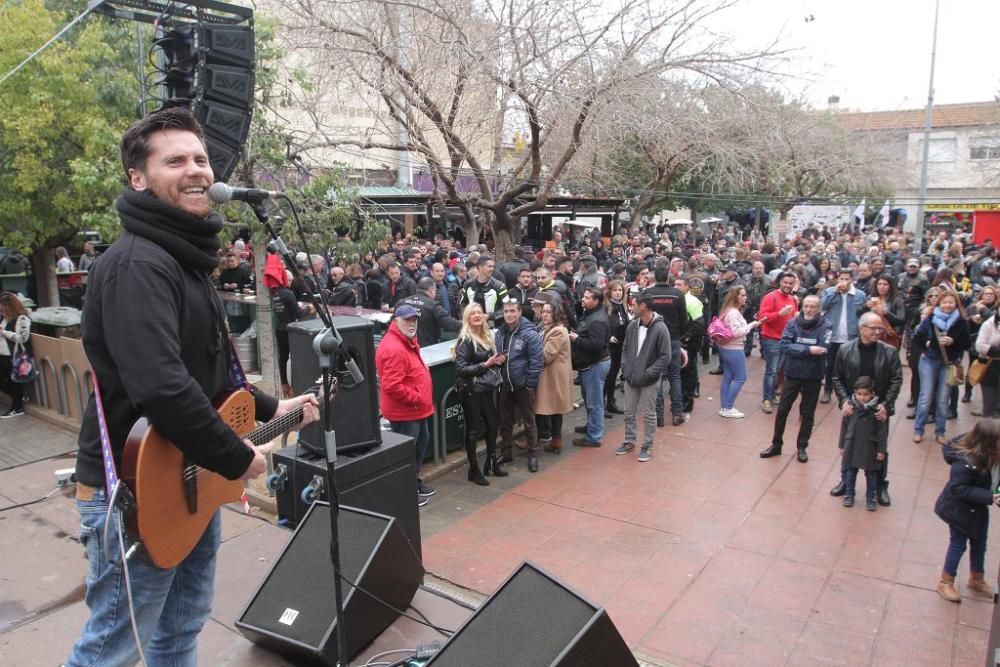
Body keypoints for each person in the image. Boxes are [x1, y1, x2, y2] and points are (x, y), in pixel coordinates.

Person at [66, 108, 319, 667]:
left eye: (201, 159)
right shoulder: (138, 265)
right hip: (134, 493)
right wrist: (235, 457)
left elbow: (208, 380)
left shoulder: (183, 261)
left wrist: (280, 408)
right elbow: (162, 387)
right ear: (139, 178)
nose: (196, 170)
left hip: (188, 480)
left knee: (179, 633)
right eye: (175, 160)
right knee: (111, 649)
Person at [830, 312, 903, 506]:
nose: (878, 331)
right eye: (874, 328)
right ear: (862, 329)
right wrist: (844, 400)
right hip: (853, 406)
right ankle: (846, 481)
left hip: (878, 409)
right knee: (848, 444)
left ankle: (879, 486)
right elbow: (836, 377)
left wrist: (886, 405)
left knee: (879, 447)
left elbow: (896, 379)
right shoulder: (845, 350)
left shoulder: (889, 351)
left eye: (880, 328)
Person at [933, 420, 1000, 603]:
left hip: (977, 507)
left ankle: (976, 578)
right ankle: (945, 581)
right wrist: (991, 496)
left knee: (980, 541)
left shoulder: (991, 453)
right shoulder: (965, 461)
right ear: (987, 442)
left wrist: (996, 493)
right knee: (958, 545)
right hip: (958, 510)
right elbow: (959, 488)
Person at [376, 304, 437, 503]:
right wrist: (418, 398)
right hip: (406, 412)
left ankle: (413, 482)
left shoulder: (405, 340)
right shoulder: (394, 347)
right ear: (396, 321)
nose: (412, 323)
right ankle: (406, 493)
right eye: (407, 320)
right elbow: (392, 385)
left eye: (414, 320)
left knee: (420, 445)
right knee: (406, 453)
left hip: (416, 410)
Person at [760, 295, 831, 462]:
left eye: (813, 306)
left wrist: (799, 348)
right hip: (792, 374)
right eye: (806, 306)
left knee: (807, 414)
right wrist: (808, 350)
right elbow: (785, 345)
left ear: (819, 308)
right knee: (783, 410)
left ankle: (802, 447)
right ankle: (776, 444)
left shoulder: (826, 325)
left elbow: (822, 347)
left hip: (813, 375)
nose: (809, 309)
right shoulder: (792, 323)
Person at [454, 303, 507, 485]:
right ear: (467, 318)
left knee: (493, 424)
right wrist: (486, 364)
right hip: (470, 390)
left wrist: (497, 360)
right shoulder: (465, 340)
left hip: (485, 388)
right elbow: (460, 368)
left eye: (479, 312)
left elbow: (488, 361)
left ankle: (491, 462)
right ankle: (473, 469)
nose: (477, 315)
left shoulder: (486, 336)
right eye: (473, 313)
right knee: (473, 430)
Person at [616, 292, 672, 461]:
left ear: (643, 306)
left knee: (649, 413)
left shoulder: (661, 329)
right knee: (628, 412)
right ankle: (629, 440)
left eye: (633, 305)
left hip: (649, 380)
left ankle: (647, 445)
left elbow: (665, 357)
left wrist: (649, 374)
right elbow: (625, 349)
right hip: (631, 378)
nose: (630, 308)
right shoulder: (632, 326)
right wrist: (625, 369)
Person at [911, 290, 970, 444]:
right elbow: (917, 338)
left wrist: (953, 342)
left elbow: (967, 344)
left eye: (950, 302)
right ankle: (918, 429)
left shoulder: (961, 321)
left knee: (943, 399)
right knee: (925, 397)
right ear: (939, 304)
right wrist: (926, 345)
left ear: (956, 304)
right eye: (944, 302)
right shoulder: (931, 318)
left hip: (948, 363)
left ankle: (940, 431)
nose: (947, 305)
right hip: (929, 360)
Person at [495, 296, 544, 471]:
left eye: (512, 311)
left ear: (519, 312)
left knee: (529, 421)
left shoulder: (529, 334)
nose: (508, 315)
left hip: (523, 386)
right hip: (506, 384)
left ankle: (532, 454)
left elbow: (536, 361)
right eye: (506, 311)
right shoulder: (501, 332)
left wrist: (529, 384)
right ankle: (507, 452)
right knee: (505, 421)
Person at [644, 267, 688, 426]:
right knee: (675, 376)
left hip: (654, 340)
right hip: (673, 339)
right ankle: (677, 413)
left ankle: (659, 416)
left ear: (655, 277)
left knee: (658, 378)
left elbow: (643, 316)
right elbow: (684, 319)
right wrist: (681, 335)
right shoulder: (677, 294)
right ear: (668, 276)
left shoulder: (648, 293)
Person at [264, 254, 313, 398]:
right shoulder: (288, 293)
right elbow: (298, 313)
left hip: (279, 327)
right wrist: (309, 309)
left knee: (283, 357)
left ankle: (284, 384)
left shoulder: (273, 293)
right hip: (290, 329)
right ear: (287, 280)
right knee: (295, 357)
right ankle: (296, 384)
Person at [837, 376, 888, 510]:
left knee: (871, 474)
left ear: (872, 394)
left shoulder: (878, 410)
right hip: (852, 444)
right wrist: (842, 445)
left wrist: (881, 450)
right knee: (850, 471)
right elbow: (844, 427)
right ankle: (849, 494)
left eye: (866, 394)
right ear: (855, 393)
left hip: (870, 446)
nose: (862, 397)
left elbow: (882, 432)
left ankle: (870, 498)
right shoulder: (850, 408)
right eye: (859, 394)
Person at [570, 287, 611, 447]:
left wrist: (576, 339)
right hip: (590, 365)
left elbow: (597, 345)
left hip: (595, 365)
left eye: (587, 298)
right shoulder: (591, 314)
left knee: (595, 402)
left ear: (596, 301)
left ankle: (594, 436)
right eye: (584, 296)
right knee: (589, 399)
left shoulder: (597, 320)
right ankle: (591, 426)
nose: (583, 299)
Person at [820, 268, 867, 403]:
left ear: (851, 280)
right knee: (829, 365)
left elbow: (863, 313)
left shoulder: (860, 295)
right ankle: (827, 390)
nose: (844, 282)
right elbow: (822, 306)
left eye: (847, 279)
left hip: (851, 336)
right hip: (832, 335)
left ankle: (847, 393)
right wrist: (835, 292)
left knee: (849, 366)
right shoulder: (829, 292)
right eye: (841, 279)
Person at [534, 300, 574, 455]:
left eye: (548, 312)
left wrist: (529, 350)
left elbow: (546, 355)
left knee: (553, 407)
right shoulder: (547, 328)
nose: (545, 314)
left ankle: (552, 439)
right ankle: (548, 438)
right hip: (550, 375)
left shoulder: (558, 331)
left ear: (556, 314)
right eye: (543, 311)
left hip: (554, 376)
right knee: (549, 407)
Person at [717, 286, 762, 418]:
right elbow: (736, 332)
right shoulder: (733, 313)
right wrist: (751, 325)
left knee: (728, 377)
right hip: (734, 348)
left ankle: (724, 406)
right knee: (740, 377)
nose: (745, 297)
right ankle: (728, 407)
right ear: (735, 297)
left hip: (726, 347)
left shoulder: (728, 311)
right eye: (742, 295)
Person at [758, 272, 798, 413]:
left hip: (785, 340)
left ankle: (772, 395)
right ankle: (767, 399)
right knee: (772, 370)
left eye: (790, 283)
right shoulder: (771, 297)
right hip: (771, 339)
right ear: (780, 282)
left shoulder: (792, 299)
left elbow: (794, 318)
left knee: (778, 370)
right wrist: (779, 314)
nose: (787, 285)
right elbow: (762, 317)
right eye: (785, 282)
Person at [674, 275, 706, 413]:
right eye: (675, 284)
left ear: (687, 286)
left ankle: (687, 400)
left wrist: (686, 338)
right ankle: (682, 397)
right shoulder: (677, 299)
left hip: (690, 343)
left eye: (679, 285)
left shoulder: (691, 301)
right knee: (682, 371)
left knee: (688, 370)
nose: (676, 287)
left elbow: (699, 323)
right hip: (682, 341)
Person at [400, 276, 462, 347]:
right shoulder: (433, 306)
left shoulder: (403, 302)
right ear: (431, 290)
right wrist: (466, 325)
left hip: (405, 346)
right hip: (427, 348)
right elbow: (449, 324)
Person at [0, 292, 31, 418]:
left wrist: (5, 332)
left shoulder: (22, 318)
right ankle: (18, 398)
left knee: (14, 381)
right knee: (7, 380)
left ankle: (17, 405)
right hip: (3, 353)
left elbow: (23, 338)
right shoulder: (4, 318)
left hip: (12, 355)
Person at [604, 279, 630, 415]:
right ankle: (603, 404)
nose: (618, 293)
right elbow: (601, 325)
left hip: (620, 346)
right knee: (608, 376)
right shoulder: (606, 307)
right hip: (609, 347)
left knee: (614, 375)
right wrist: (608, 336)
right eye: (615, 290)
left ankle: (610, 402)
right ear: (610, 292)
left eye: (620, 290)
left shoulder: (622, 306)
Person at [864, 274, 906, 350]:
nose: (881, 287)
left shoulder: (897, 300)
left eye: (885, 284)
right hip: (873, 335)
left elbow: (901, 320)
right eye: (879, 284)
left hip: (890, 336)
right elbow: (860, 315)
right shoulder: (872, 298)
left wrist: (886, 313)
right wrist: (865, 307)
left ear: (890, 286)